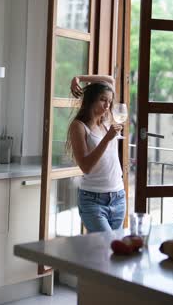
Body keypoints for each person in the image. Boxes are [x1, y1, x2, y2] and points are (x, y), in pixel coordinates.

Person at [67, 74, 126, 233]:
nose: (107, 105)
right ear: (91, 99)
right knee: (105, 248)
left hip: (118, 196)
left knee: (114, 251)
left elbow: (110, 80)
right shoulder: (79, 127)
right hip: (93, 200)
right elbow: (85, 167)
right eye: (102, 99)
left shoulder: (106, 120)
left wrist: (78, 77)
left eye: (109, 100)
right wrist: (107, 139)